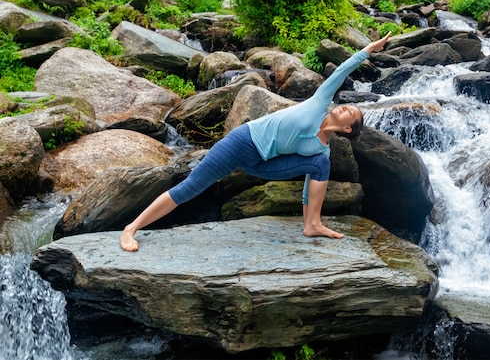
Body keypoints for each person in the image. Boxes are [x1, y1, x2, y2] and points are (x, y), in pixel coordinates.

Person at [120, 32, 391, 251]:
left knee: (320, 164)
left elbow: (312, 184)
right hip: (242, 143)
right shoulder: (318, 103)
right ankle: (131, 228)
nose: (344, 108)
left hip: (261, 164)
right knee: (190, 187)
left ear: (345, 128)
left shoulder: (320, 148)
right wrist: (369, 49)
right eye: (347, 107)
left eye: (350, 114)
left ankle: (312, 224)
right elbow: (341, 72)